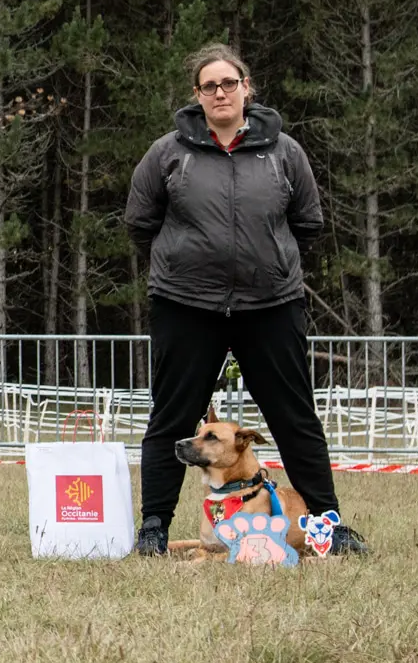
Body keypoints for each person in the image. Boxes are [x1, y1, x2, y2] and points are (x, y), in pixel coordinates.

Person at [123, 43, 367, 556]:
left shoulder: (285, 151)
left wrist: (270, 263)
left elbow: (308, 223)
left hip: (271, 306)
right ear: (197, 95)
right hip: (186, 306)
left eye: (229, 83)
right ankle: (154, 529)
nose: (220, 93)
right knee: (171, 418)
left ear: (246, 88)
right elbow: (140, 223)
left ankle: (329, 529)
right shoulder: (168, 152)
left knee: (295, 418)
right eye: (209, 86)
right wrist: (186, 263)